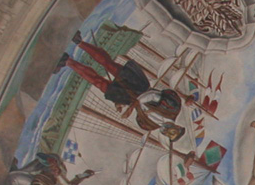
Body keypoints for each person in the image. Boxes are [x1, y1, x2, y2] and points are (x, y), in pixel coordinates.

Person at [55, 32, 187, 138]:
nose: (169, 134)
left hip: (127, 98)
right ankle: (79, 42)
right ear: (178, 127)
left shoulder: (150, 126)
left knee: (98, 82)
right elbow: (152, 95)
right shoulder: (172, 108)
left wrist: (122, 104)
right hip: (139, 85)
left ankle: (67, 61)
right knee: (109, 64)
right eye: (174, 132)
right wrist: (133, 106)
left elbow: (139, 110)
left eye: (170, 137)